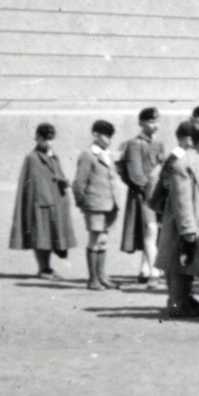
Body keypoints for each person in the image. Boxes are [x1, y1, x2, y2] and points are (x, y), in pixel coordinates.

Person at [154, 121, 199, 319]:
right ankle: (177, 305)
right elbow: (182, 199)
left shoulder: (198, 160)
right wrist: (188, 229)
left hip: (196, 222)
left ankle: (182, 302)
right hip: (185, 224)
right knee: (179, 266)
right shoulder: (185, 163)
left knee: (187, 266)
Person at [10, 123, 77, 278]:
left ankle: (47, 268)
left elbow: (57, 174)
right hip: (40, 204)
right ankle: (44, 268)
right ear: (37, 138)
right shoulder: (32, 158)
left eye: (51, 139)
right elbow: (29, 186)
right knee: (41, 237)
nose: (48, 142)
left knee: (52, 237)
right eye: (45, 139)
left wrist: (63, 181)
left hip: (56, 203)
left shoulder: (53, 156)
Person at [118, 107, 165, 286]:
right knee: (150, 230)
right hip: (143, 195)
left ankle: (145, 270)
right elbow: (136, 174)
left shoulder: (159, 144)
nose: (155, 125)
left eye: (157, 121)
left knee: (153, 232)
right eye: (151, 122)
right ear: (141, 123)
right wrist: (150, 192)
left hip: (157, 196)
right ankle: (154, 272)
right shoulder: (135, 144)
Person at [71, 119, 120, 291]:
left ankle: (101, 275)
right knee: (95, 240)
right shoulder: (88, 155)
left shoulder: (106, 154)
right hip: (94, 205)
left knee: (103, 240)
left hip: (109, 205)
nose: (109, 140)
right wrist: (84, 203)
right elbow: (78, 183)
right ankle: (93, 279)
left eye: (110, 136)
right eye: (106, 136)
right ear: (95, 135)